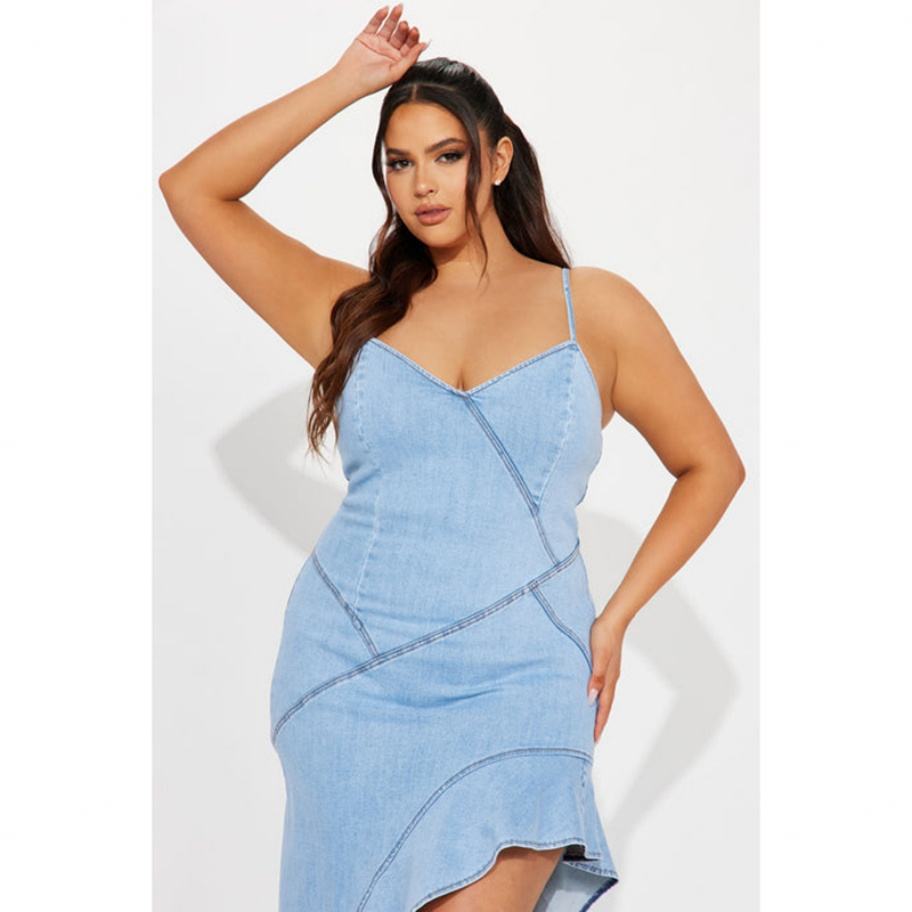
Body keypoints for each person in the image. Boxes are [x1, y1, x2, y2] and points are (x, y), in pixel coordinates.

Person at [159, 4, 746, 910]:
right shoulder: (354, 312)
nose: (422, 184)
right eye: (398, 162)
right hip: (353, 671)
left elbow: (711, 465)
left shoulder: (596, 309)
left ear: (497, 159)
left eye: (446, 155)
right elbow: (193, 189)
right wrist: (347, 83)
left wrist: (617, 618)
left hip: (525, 672)